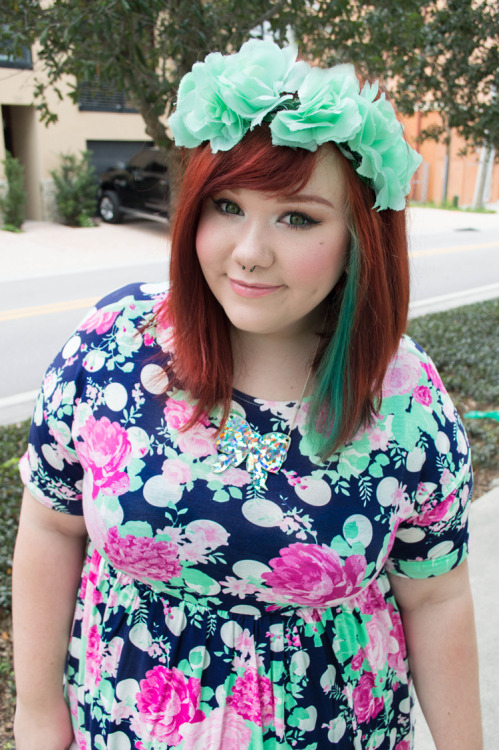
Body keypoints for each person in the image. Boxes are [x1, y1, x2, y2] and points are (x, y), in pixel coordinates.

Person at [13, 39, 482, 750]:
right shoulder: (113, 345)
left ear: (360, 236)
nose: (248, 251)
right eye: (226, 205)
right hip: (120, 728)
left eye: (296, 217)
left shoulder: (403, 397)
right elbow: (52, 525)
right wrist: (37, 713)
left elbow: (436, 594)